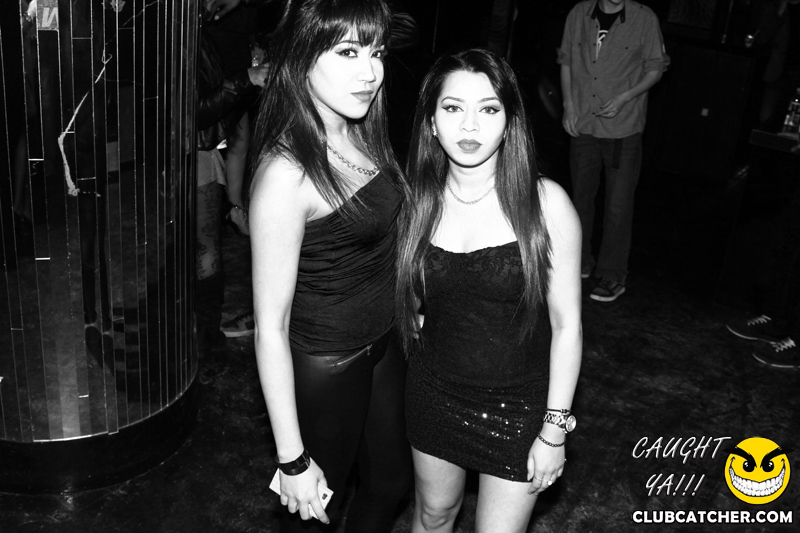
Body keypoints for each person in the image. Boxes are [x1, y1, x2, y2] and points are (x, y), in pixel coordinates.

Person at [396, 48, 583, 533]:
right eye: (452, 107)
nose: (470, 126)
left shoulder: (546, 205)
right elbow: (410, 300)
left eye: (488, 108)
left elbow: (567, 326)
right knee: (433, 515)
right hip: (433, 391)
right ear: (431, 122)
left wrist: (555, 428)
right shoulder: (417, 203)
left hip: (518, 405)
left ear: (509, 122)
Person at [247, 1, 412, 531]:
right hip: (328, 364)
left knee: (390, 484)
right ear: (302, 58)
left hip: (383, 342)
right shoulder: (286, 174)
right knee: (315, 513)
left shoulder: (359, 128)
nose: (370, 73)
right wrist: (292, 459)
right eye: (347, 52)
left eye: (376, 52)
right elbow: (270, 328)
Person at [558, 0, 670, 302]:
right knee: (579, 200)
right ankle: (579, 263)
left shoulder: (644, 18)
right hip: (583, 122)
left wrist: (624, 98)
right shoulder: (579, 14)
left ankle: (612, 275)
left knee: (618, 206)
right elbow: (567, 61)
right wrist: (569, 105)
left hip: (623, 128)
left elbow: (656, 68)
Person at [195, 26, 267, 353]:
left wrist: (235, 205)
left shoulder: (207, 28)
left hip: (201, 153)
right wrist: (246, 78)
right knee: (202, 252)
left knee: (202, 252)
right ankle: (205, 337)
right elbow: (195, 113)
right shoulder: (182, 30)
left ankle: (205, 334)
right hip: (190, 154)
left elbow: (239, 141)